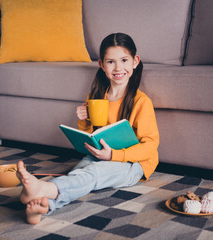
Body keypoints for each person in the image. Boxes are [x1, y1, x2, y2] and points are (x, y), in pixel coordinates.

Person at [17, 33, 159, 224]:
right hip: (100, 155)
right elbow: (93, 132)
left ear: (135, 61)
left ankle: (43, 189)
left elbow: (151, 145)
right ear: (101, 65)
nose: (118, 68)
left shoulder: (141, 101)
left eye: (124, 60)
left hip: (134, 164)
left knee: (94, 175)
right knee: (79, 174)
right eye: (111, 62)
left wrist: (113, 156)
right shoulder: (97, 95)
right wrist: (84, 120)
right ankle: (43, 207)